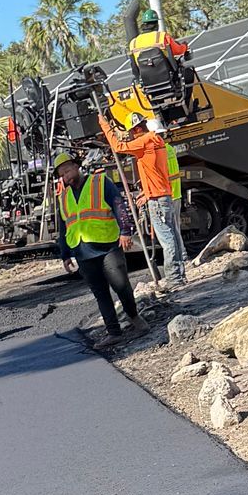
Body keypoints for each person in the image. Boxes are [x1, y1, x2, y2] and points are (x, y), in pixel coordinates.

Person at [103, 115, 188, 291]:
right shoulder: (157, 140)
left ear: (137, 129)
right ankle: (179, 275)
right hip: (162, 195)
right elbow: (154, 171)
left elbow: (118, 147)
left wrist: (104, 125)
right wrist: (146, 193)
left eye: (131, 132)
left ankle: (174, 278)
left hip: (157, 199)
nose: (131, 136)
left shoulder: (145, 141)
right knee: (172, 235)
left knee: (167, 239)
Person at [58, 161, 139, 339]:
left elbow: (118, 204)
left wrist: (125, 231)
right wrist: (65, 254)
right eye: (62, 175)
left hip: (108, 245)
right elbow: (63, 227)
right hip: (82, 251)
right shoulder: (63, 197)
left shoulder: (100, 182)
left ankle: (136, 319)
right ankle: (114, 332)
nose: (66, 176)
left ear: (76, 167)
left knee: (121, 285)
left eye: (68, 171)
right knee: (100, 294)